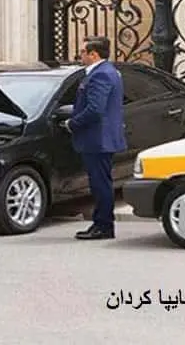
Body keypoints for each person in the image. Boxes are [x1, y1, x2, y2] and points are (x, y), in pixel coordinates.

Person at [64, 36, 126, 240]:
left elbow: (95, 109)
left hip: (98, 138)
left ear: (94, 54)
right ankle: (101, 223)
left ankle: (103, 225)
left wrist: (73, 123)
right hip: (100, 138)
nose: (79, 55)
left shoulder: (101, 74)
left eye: (82, 51)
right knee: (101, 182)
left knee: (100, 184)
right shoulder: (107, 71)